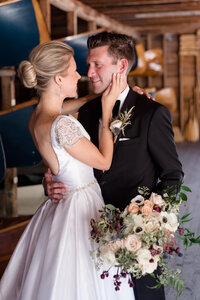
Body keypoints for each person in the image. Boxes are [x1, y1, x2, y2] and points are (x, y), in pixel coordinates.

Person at [45, 32, 184, 300]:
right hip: (88, 227)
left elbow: (172, 174)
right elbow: (70, 160)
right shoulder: (85, 112)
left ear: (121, 66)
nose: (89, 72)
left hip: (135, 234)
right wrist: (49, 180)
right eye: (88, 64)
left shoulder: (151, 113)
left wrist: (154, 221)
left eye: (97, 65)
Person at [0, 41, 136, 300]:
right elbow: (104, 161)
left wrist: (110, 92)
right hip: (80, 205)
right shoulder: (62, 125)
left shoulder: (39, 115)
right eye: (74, 71)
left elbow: (81, 101)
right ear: (58, 79)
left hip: (59, 207)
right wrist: (107, 111)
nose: (80, 75)